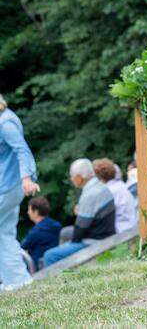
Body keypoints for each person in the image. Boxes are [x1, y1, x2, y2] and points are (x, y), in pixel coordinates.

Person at [43, 159, 116, 267]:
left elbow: (79, 232)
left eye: (72, 176)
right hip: (106, 236)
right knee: (65, 234)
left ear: (79, 177)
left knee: (50, 255)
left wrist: (69, 244)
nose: (71, 179)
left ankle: (58, 282)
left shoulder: (89, 195)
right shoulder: (102, 188)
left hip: (94, 242)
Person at [0, 93, 39, 291]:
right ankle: (17, 280)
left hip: (7, 187)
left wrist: (26, 178)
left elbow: (22, 150)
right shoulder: (5, 118)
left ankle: (17, 280)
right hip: (8, 186)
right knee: (4, 233)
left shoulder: (5, 122)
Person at [93, 158, 138, 233]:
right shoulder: (121, 186)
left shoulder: (108, 191)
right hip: (131, 225)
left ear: (99, 177)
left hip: (119, 231)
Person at [21, 196, 61, 271]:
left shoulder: (36, 231)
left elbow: (22, 247)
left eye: (29, 209)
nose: (28, 212)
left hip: (36, 267)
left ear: (35, 212)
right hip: (53, 262)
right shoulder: (56, 225)